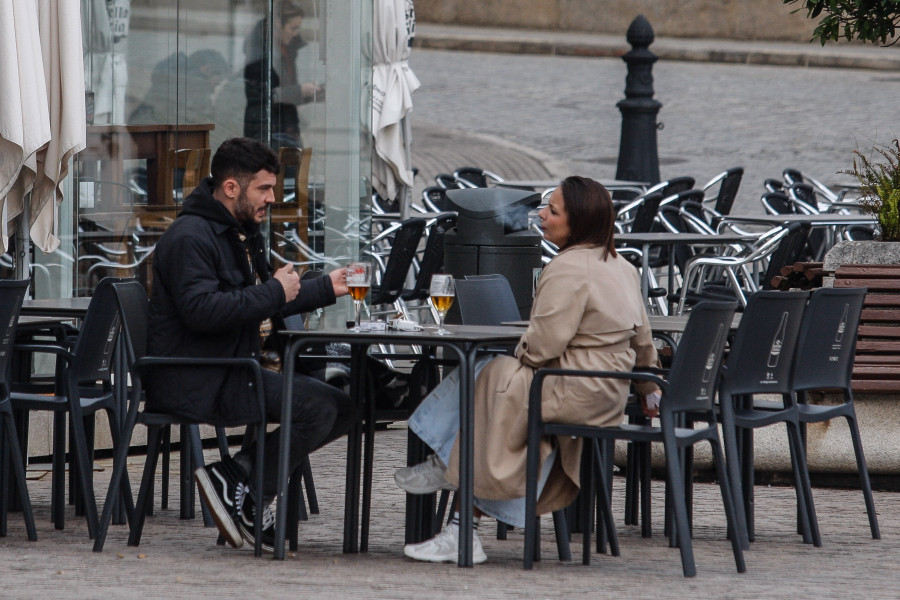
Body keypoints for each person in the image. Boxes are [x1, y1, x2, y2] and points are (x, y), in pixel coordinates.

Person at [394, 176, 661, 564]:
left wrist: (522, 348)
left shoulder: (568, 267)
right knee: (491, 374)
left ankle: (446, 463)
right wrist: (646, 388)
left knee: (488, 370)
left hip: (572, 388)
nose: (540, 216)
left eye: (552, 211)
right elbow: (643, 341)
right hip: (607, 393)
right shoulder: (622, 266)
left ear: (578, 223)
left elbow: (542, 346)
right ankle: (453, 498)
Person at [147, 137, 358, 553]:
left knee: (346, 405)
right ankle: (241, 486)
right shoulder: (190, 237)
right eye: (263, 189)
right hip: (196, 376)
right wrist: (276, 292)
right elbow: (202, 312)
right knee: (321, 408)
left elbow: (269, 295)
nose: (272, 199)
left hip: (230, 370)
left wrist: (326, 288)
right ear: (231, 188)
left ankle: (238, 476)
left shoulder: (239, 232)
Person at [243, 1, 322, 143]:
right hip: (266, 129)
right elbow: (263, 95)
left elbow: (285, 93)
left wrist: (314, 93)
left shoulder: (287, 49)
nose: (296, 33)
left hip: (285, 125)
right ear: (278, 23)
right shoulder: (260, 52)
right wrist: (300, 91)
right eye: (293, 28)